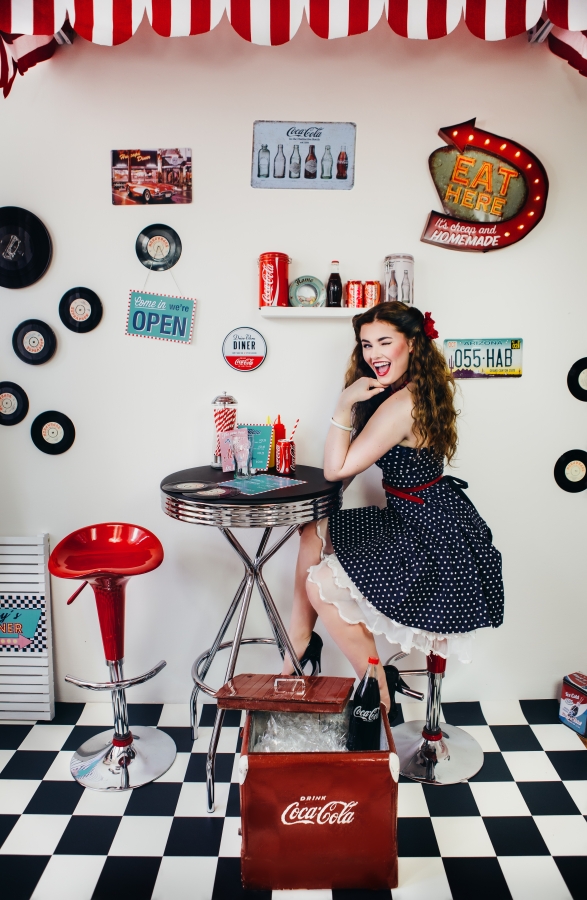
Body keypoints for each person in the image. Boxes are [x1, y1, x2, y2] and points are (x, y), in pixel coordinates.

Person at [280, 302, 504, 715]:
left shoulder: (403, 403)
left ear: (412, 343)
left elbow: (336, 468)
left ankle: (378, 691)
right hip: (417, 514)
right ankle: (300, 641)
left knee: (321, 584)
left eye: (385, 342)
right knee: (312, 528)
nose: (374, 354)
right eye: (367, 345)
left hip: (431, 533)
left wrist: (343, 405)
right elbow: (346, 469)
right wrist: (322, 498)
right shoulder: (414, 388)